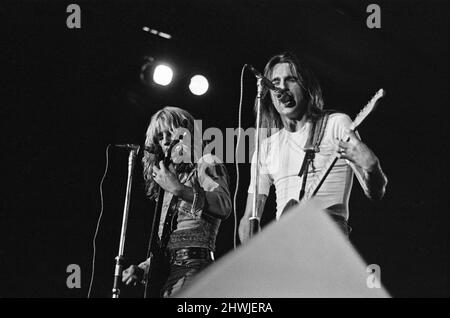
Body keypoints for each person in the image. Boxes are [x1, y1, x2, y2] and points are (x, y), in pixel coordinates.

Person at [239, 52, 388, 242]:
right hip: (288, 246)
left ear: (306, 86)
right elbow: (248, 219)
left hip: (327, 238)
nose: (282, 87)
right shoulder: (267, 147)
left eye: (291, 79)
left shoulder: (335, 124)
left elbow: (375, 192)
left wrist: (372, 167)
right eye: (275, 82)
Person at [122, 106, 232, 297]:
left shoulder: (206, 162)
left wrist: (180, 190)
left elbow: (223, 205)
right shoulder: (170, 178)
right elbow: (171, 240)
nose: (164, 141)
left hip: (194, 269)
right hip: (168, 274)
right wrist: (145, 268)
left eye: (169, 133)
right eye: (159, 136)